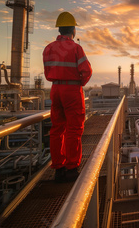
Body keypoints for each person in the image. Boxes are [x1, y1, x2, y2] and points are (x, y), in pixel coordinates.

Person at [43, 12, 92, 182]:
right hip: (71, 89)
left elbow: (47, 72)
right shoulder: (76, 48)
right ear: (73, 30)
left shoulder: (48, 48)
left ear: (60, 29)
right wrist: (80, 83)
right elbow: (87, 71)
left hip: (55, 89)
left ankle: (59, 168)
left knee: (57, 129)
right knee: (74, 129)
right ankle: (72, 168)